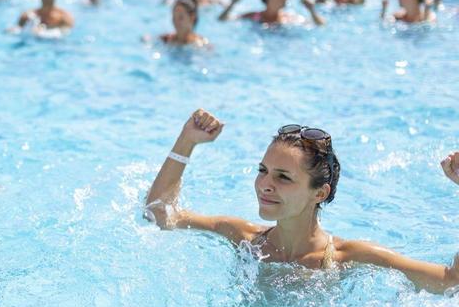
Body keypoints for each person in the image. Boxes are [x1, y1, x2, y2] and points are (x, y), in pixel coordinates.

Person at [144, 110, 459, 294]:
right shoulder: (244, 238)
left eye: (283, 177)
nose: (264, 185)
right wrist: (187, 141)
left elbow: (451, 283)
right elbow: (160, 215)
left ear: (319, 193)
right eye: (263, 171)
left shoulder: (347, 257)